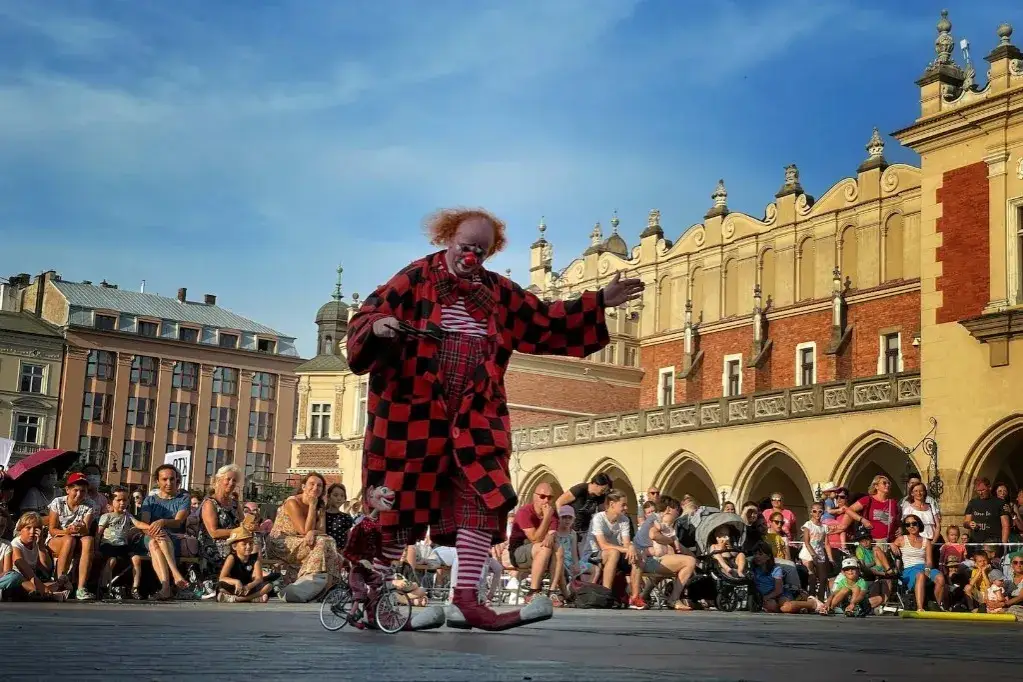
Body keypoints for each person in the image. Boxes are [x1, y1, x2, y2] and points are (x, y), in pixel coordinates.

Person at [345, 207, 643, 631]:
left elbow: (544, 320)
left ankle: (466, 598)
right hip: (411, 412)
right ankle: (370, 593)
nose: (472, 256)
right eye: (466, 247)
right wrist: (379, 327)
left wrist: (598, 302)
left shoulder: (497, 293)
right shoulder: (413, 278)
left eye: (481, 251)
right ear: (448, 238)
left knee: (481, 500)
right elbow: (366, 317)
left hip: (475, 413)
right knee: (398, 507)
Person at [342, 486, 445, 631]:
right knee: (381, 567)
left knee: (386, 565)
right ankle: (376, 613)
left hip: (402, 503)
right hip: (397, 498)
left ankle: (376, 612)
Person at [139, 464, 192, 600]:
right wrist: (155, 529)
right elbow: (145, 524)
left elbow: (179, 521)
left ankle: (165, 589)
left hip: (174, 538)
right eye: (164, 479)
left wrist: (163, 522)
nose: (169, 483)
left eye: (172, 479)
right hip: (150, 534)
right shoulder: (150, 500)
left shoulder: (184, 499)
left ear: (176, 480)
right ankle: (175, 574)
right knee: (156, 538)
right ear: (157, 481)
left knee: (154, 544)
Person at [46, 472, 98, 600]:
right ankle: (60, 582)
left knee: (88, 540)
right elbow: (52, 530)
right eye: (76, 490)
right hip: (58, 538)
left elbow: (86, 529)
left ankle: (81, 587)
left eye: (83, 491)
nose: (79, 494)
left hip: (78, 537)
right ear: (68, 489)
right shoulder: (58, 502)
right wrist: (67, 532)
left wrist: (81, 528)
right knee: (69, 540)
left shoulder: (89, 504)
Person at [96, 487, 149, 599]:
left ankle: (135, 588)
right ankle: (104, 587)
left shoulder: (128, 516)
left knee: (136, 559)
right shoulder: (107, 516)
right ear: (111, 502)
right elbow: (99, 533)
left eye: (125, 500)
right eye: (118, 500)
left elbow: (138, 524)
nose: (122, 503)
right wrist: (96, 548)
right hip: (108, 544)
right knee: (111, 561)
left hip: (123, 545)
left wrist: (150, 527)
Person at [217, 527, 274, 603]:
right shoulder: (231, 558)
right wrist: (236, 582)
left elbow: (259, 578)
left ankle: (241, 599)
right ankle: (253, 598)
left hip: (248, 586)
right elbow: (222, 578)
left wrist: (248, 586)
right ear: (234, 546)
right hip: (235, 587)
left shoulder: (255, 558)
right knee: (221, 586)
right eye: (244, 544)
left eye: (250, 543)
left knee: (268, 586)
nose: (248, 546)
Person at [555, 474, 613, 545]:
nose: (603, 492)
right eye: (603, 489)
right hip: (570, 529)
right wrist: (564, 524)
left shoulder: (600, 496)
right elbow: (559, 502)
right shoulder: (580, 490)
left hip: (585, 531)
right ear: (596, 484)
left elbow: (603, 511)